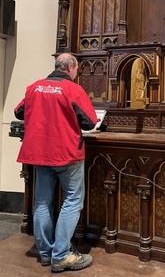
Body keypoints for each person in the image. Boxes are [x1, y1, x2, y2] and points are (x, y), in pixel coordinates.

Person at [14, 53, 97, 273]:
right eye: (76, 69)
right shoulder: (73, 89)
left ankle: (45, 252)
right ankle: (61, 255)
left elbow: (18, 111)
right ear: (70, 67)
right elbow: (89, 122)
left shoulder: (34, 87)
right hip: (66, 153)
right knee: (72, 201)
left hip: (40, 153)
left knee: (42, 202)